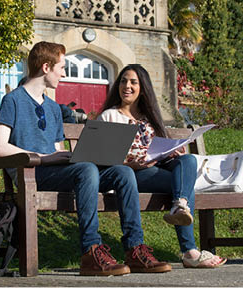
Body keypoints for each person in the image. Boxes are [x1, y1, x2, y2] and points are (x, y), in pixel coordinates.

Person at [0, 41, 171, 276]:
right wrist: (45, 158)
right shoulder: (13, 100)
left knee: (123, 172)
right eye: (62, 67)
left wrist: (77, 155)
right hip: (31, 174)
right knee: (86, 169)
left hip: (57, 171)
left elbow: (57, 149)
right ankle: (91, 251)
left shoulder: (54, 108)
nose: (64, 73)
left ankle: (135, 249)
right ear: (46, 67)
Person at [97, 64, 227, 268]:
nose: (127, 86)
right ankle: (189, 251)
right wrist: (131, 163)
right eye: (123, 81)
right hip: (130, 176)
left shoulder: (149, 119)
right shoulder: (109, 116)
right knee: (184, 184)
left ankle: (179, 207)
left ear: (143, 88)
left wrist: (170, 152)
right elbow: (103, 157)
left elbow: (157, 151)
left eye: (133, 82)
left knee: (188, 161)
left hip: (155, 169)